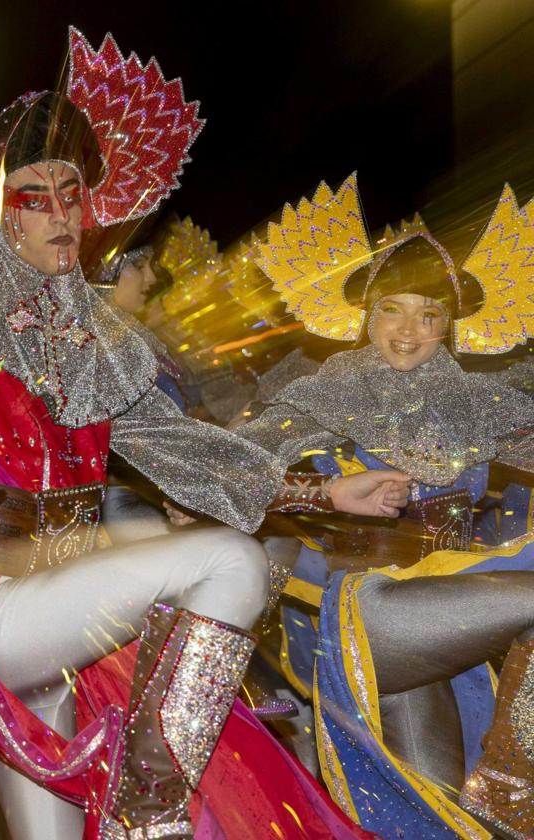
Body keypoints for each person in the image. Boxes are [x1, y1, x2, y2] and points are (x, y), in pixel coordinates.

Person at [0, 27, 390, 840]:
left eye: (72, 196)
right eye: (34, 199)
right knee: (229, 562)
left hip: (68, 604)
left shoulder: (101, 339)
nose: (61, 216)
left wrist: (327, 489)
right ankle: (145, 809)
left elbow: (180, 446)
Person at [238, 173, 534, 840]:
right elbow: (235, 474)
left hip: (446, 620)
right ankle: (519, 792)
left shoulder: (483, 402)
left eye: (427, 315)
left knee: (432, 807)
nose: (407, 332)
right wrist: (321, 493)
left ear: (449, 325)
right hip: (366, 609)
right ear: (365, 315)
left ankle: (508, 798)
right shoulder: (326, 391)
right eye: (391, 310)